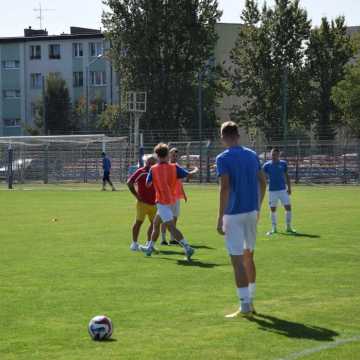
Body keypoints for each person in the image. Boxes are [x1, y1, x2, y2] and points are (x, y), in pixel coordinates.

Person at [216, 121, 267, 318]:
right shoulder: (252, 154)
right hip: (251, 212)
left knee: (236, 260)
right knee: (249, 257)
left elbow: (225, 188)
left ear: (223, 137)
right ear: (238, 135)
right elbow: (263, 182)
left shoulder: (223, 158)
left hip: (233, 214)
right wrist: (258, 206)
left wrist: (220, 216)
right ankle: (251, 300)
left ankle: (245, 306)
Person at [140, 143, 198, 260]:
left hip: (162, 202)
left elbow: (147, 184)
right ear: (167, 155)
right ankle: (150, 247)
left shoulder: (153, 169)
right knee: (156, 224)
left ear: (157, 155)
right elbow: (189, 175)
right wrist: (195, 169)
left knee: (171, 227)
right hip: (172, 200)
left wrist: (154, 180)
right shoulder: (174, 167)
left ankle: (188, 248)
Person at [127, 155, 157, 251]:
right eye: (150, 161)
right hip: (142, 203)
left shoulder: (156, 172)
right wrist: (136, 195)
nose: (152, 163)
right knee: (139, 222)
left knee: (154, 224)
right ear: (146, 162)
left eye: (154, 161)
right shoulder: (141, 171)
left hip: (155, 203)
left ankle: (149, 244)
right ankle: (134, 243)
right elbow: (129, 182)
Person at [263, 148, 295, 235]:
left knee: (288, 207)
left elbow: (287, 176)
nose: (274, 156)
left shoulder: (283, 164)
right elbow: (263, 177)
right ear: (270, 155)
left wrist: (289, 188)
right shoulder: (266, 165)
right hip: (272, 191)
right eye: (272, 154)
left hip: (283, 190)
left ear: (279, 155)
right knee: (273, 209)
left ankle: (288, 227)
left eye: (276, 154)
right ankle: (274, 228)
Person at [160, 147, 188, 246]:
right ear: (168, 155)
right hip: (168, 197)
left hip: (176, 197)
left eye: (176, 155)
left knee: (175, 218)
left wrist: (183, 194)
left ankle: (172, 238)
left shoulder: (177, 166)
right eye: (173, 155)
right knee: (165, 219)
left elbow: (179, 182)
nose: (174, 157)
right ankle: (163, 239)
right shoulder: (166, 166)